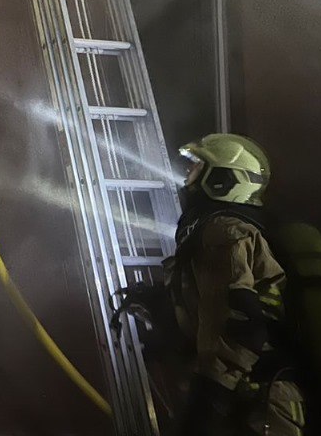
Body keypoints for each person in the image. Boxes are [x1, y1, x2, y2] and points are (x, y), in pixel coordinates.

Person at [120, 134, 307, 435]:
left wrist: (208, 402)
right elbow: (209, 308)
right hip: (248, 399)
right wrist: (163, 308)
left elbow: (238, 323)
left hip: (259, 407)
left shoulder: (224, 233)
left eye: (196, 167)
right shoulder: (214, 229)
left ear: (222, 180)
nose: (187, 175)